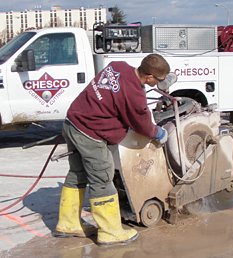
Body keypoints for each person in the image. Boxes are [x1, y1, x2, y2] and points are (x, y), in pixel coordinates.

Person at [54, 54, 170, 246]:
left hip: (72, 122)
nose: (160, 83)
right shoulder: (134, 94)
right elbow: (143, 126)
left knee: (77, 173)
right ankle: (110, 232)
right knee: (102, 179)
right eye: (159, 80)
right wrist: (158, 133)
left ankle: (68, 223)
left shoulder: (117, 66)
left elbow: (114, 98)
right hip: (90, 134)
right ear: (149, 77)